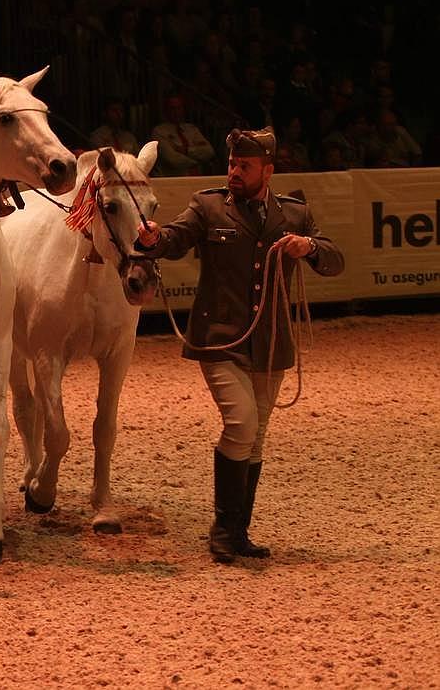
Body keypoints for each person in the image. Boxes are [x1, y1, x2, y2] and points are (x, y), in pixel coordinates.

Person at [136, 126, 344, 564]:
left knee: (256, 437)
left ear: (267, 171)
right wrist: (154, 239)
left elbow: (334, 259)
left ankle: (236, 532)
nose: (234, 170)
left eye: (244, 165)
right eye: (232, 163)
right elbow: (176, 237)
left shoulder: (293, 214)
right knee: (242, 423)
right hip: (218, 338)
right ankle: (222, 529)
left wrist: (308, 247)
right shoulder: (207, 205)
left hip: (271, 341)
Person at [151, 94, 216, 176]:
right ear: (166, 110)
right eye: (172, 108)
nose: (176, 112)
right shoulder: (159, 132)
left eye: (179, 108)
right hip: (175, 180)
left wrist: (186, 150)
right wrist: (197, 161)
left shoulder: (192, 129)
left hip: (198, 177)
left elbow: (209, 151)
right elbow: (173, 159)